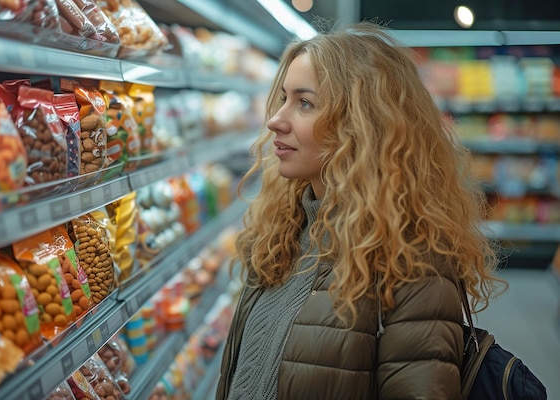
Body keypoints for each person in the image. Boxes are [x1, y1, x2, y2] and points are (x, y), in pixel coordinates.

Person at [215, 21, 507, 400]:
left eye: (304, 103)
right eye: (283, 98)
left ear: (361, 124)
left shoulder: (413, 263)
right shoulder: (283, 235)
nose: (276, 119)